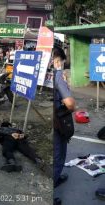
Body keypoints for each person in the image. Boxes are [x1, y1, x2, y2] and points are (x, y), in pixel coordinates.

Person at [53, 47, 76, 205]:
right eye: (61, 60)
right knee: (59, 155)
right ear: (57, 60)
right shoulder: (57, 75)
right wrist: (72, 105)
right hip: (58, 121)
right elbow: (70, 103)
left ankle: (57, 176)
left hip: (53, 119)